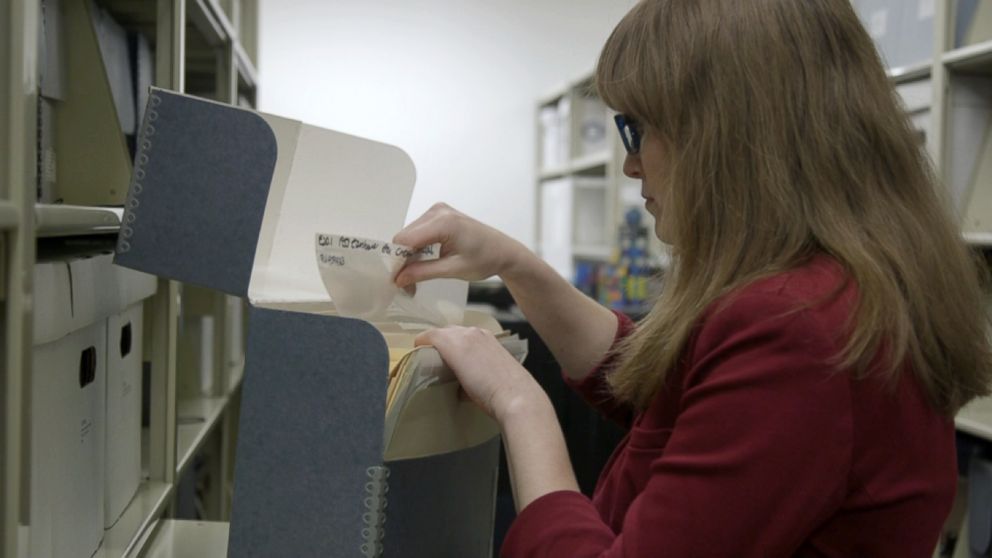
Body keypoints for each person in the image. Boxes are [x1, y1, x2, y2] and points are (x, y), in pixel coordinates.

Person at [393, 0, 992, 556]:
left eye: (640, 129)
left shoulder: (798, 327)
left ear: (726, 137)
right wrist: (514, 263)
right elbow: (660, 395)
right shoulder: (832, 291)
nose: (630, 163)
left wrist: (519, 402)